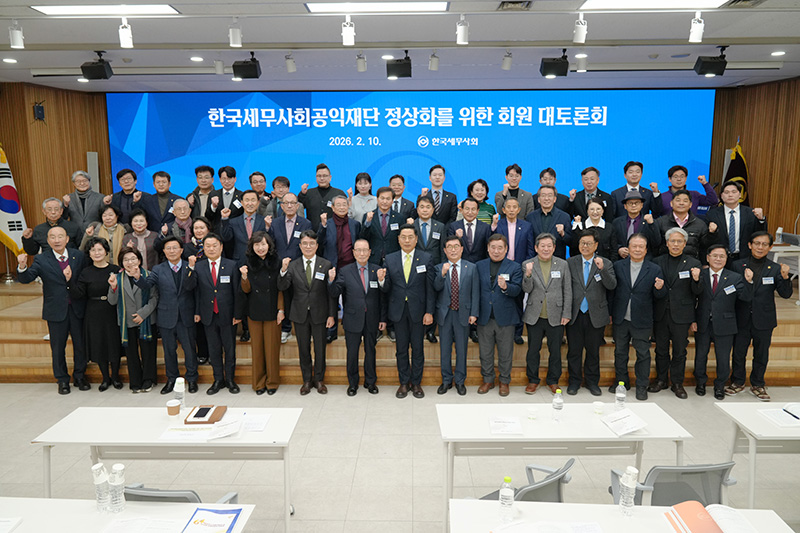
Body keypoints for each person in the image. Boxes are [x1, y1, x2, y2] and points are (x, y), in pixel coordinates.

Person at [17, 226, 89, 394]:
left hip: (78, 308)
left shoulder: (78, 256)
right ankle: (62, 380)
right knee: (57, 348)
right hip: (56, 310)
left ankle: (80, 376)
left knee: (80, 345)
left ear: (67, 239)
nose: (57, 240)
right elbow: (27, 278)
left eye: (60, 236)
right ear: (48, 241)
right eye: (53, 237)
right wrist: (22, 266)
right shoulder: (41, 259)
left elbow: (85, 278)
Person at [729, 232, 793, 401]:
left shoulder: (776, 268)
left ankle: (758, 384)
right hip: (741, 317)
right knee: (738, 353)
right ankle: (737, 382)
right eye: (757, 243)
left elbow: (786, 294)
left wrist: (785, 277)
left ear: (770, 247)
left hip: (764, 318)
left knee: (761, 354)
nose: (760, 247)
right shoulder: (737, 265)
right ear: (750, 245)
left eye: (764, 244)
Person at [134, 236, 199, 395]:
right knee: (169, 351)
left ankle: (192, 379)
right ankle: (172, 379)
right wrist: (137, 278)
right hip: (166, 315)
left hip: (186, 314)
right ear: (163, 251)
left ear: (181, 250)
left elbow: (193, 288)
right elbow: (147, 285)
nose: (172, 251)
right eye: (168, 248)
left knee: (190, 350)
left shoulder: (190, 265)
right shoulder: (158, 269)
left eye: (175, 248)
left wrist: (191, 269)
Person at [380, 224, 435, 399]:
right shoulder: (390, 259)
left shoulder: (426, 258)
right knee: (401, 349)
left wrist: (429, 312)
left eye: (410, 237)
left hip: (419, 311)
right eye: (403, 237)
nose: (407, 240)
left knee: (418, 349)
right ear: (398, 239)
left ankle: (416, 383)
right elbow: (386, 289)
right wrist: (381, 281)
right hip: (398, 311)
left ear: (416, 239)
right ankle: (404, 382)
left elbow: (430, 289)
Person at [278, 231, 336, 395]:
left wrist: (332, 314)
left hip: (320, 312)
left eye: (312, 243)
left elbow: (331, 293)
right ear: (300, 245)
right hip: (300, 313)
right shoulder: (293, 265)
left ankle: (319, 380)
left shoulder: (326, 264)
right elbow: (282, 286)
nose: (308, 246)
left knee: (320, 349)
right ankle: (306, 380)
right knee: (303, 349)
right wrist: (283, 271)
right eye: (305, 243)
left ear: (317, 246)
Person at [611, 233, 667, 401]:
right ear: (628, 248)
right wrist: (610, 313)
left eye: (640, 246)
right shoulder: (618, 266)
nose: (637, 249)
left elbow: (659, 297)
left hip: (642, 319)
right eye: (634, 246)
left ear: (646, 249)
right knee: (620, 352)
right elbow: (612, 292)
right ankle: (622, 382)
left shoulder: (654, 268)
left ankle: (642, 386)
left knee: (643, 354)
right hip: (621, 317)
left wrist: (660, 288)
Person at [694, 243, 753, 400]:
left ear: (726, 259)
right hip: (703, 323)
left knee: (723, 358)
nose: (718, 259)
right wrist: (693, 320)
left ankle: (720, 386)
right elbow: (692, 298)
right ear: (708, 257)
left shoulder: (735, 277)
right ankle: (700, 383)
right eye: (715, 256)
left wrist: (749, 282)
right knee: (700, 356)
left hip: (725, 324)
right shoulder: (700, 274)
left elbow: (745, 298)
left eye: (722, 256)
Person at [650, 228, 703, 399]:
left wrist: (697, 279)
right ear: (667, 243)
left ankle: (677, 383)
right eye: (672, 241)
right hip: (661, 313)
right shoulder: (657, 262)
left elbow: (698, 291)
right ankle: (661, 380)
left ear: (685, 244)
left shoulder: (694, 263)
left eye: (679, 241)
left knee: (680, 351)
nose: (675, 244)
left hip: (682, 314)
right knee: (661, 350)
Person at [331, 239, 386, 396]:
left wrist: (382, 318)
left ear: (370, 252)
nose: (362, 253)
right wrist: (331, 280)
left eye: (365, 250)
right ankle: (353, 383)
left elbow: (383, 297)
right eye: (358, 250)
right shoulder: (345, 271)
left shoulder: (377, 270)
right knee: (352, 353)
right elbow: (335, 293)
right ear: (353, 253)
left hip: (372, 319)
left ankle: (370, 382)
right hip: (352, 319)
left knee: (371, 351)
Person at [566, 229, 616, 396]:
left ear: (596, 245)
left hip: (596, 314)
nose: (585, 246)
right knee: (574, 351)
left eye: (588, 243)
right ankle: (574, 382)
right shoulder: (570, 262)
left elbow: (612, 285)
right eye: (582, 243)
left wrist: (602, 270)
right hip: (575, 314)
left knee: (593, 352)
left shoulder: (605, 263)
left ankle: (592, 382)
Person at [69, 237, 122, 391]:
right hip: (93, 312)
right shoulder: (86, 272)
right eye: (93, 250)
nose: (97, 253)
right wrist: (69, 280)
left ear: (106, 251)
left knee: (114, 344)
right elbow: (78, 294)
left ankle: (115, 377)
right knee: (99, 345)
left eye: (100, 249)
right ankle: (105, 378)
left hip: (113, 310)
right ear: (89, 253)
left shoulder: (116, 269)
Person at [521, 233, 572, 394]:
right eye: (542, 246)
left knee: (555, 351)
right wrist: (528, 275)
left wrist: (566, 313)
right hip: (534, 315)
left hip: (556, 314)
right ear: (536, 248)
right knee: (533, 351)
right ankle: (533, 380)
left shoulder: (562, 264)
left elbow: (567, 290)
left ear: (554, 248)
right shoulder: (528, 264)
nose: (546, 249)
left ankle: (553, 380)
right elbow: (526, 289)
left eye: (549, 246)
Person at [193, 234, 242, 395]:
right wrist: (197, 312)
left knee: (229, 349)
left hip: (227, 314)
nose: (211, 249)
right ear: (204, 248)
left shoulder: (231, 265)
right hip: (208, 314)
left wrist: (237, 313)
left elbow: (236, 291)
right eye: (208, 246)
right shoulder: (199, 266)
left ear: (221, 247)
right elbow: (197, 292)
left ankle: (230, 380)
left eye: (215, 245)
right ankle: (218, 380)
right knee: (213, 349)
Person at [475, 235, 522, 396]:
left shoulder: (515, 267)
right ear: (488, 248)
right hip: (484, 316)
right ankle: (488, 380)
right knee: (485, 352)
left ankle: (504, 381)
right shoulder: (479, 266)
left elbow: (518, 290)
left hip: (506, 317)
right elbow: (475, 291)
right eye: (493, 247)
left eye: (500, 248)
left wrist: (506, 287)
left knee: (505, 353)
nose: (496, 251)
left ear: (506, 249)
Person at [239, 232, 285, 395]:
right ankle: (258, 384)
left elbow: (281, 288)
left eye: (263, 244)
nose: (260, 248)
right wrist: (244, 277)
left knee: (272, 350)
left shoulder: (277, 262)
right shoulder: (247, 263)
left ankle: (272, 383)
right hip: (254, 310)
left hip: (273, 310)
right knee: (257, 350)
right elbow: (246, 290)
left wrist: (281, 309)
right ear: (252, 247)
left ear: (269, 245)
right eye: (257, 245)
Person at [108, 247, 159, 393]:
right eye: (126, 260)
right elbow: (112, 301)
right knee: (131, 353)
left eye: (133, 259)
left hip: (146, 319)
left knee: (148, 352)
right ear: (121, 262)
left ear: (139, 260)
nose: (130, 262)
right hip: (127, 321)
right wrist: (113, 287)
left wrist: (143, 314)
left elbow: (154, 298)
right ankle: (135, 381)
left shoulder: (149, 275)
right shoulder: (117, 278)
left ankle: (148, 379)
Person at [433, 235, 479, 396]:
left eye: (456, 246)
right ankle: (446, 380)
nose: (453, 250)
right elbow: (436, 288)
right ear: (445, 251)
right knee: (445, 350)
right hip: (445, 314)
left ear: (461, 249)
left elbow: (475, 292)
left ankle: (460, 380)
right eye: (449, 247)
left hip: (463, 313)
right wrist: (442, 274)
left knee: (461, 349)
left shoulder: (471, 267)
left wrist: (474, 313)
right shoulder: (439, 268)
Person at [267, 192, 312, 344]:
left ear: (298, 205)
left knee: (300, 297)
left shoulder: (306, 223)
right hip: (280, 267)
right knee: (284, 297)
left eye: (293, 203)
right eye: (286, 203)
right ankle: (286, 329)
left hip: (299, 267)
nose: (290, 206)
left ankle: (304, 328)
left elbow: (308, 245)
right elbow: (271, 245)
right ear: (282, 206)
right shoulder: (275, 223)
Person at [490, 196, 534, 344]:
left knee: (518, 301)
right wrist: (493, 226)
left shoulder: (527, 226)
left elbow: (530, 249)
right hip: (501, 267)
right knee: (501, 299)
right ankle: (499, 332)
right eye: (508, 207)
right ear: (503, 210)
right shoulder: (498, 225)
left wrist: (525, 267)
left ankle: (517, 333)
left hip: (519, 268)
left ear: (519, 209)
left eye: (514, 207)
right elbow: (491, 244)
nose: (511, 210)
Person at [318, 195, 360, 342]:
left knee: (351, 300)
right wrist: (322, 226)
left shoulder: (355, 224)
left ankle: (351, 330)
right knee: (331, 299)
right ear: (333, 207)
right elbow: (319, 243)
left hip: (350, 267)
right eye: (338, 205)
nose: (342, 207)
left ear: (348, 206)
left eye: (344, 204)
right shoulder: (327, 224)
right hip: (332, 267)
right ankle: (332, 331)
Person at [706, 181, 767, 264]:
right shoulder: (712, 214)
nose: (730, 195)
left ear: (740, 195)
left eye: (734, 192)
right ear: (721, 196)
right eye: (726, 192)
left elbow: (761, 235)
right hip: (720, 259)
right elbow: (706, 241)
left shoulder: (751, 213)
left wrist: (761, 220)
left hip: (744, 258)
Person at [652, 190, 709, 260]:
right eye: (678, 200)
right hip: (665, 263)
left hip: (691, 263)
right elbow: (655, 245)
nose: (681, 203)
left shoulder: (700, 224)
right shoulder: (660, 222)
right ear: (671, 203)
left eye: (685, 201)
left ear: (690, 204)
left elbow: (704, 248)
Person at [220, 190, 267, 264]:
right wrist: (225, 219)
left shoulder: (264, 221)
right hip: (239, 262)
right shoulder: (234, 222)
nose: (250, 203)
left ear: (258, 203)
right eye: (247, 200)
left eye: (253, 200)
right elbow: (226, 238)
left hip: (260, 262)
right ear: (242, 203)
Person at [526, 185, 572, 259]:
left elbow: (571, 242)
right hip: (536, 260)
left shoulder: (564, 217)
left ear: (554, 199)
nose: (546, 198)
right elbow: (528, 242)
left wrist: (563, 234)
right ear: (538, 199)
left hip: (557, 260)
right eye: (543, 195)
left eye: (550, 196)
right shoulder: (530, 217)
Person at [611, 190, 659, 260]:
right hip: (622, 260)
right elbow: (613, 242)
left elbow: (656, 242)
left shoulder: (649, 222)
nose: (633, 205)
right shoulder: (617, 222)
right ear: (625, 206)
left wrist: (651, 224)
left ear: (642, 205)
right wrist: (619, 249)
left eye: (637, 203)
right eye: (630, 203)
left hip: (645, 260)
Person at [360, 186, 402, 265]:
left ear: (392, 201)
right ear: (377, 199)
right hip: (373, 259)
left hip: (393, 258)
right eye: (382, 198)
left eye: (388, 199)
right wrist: (367, 222)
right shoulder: (368, 216)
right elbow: (363, 238)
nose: (385, 202)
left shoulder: (399, 218)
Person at [297, 163, 345, 231]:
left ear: (330, 177)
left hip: (334, 232)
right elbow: (297, 206)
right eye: (319, 176)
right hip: (312, 233)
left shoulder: (339, 193)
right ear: (316, 177)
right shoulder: (309, 193)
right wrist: (302, 194)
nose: (322, 178)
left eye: (325, 176)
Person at [448, 197, 491, 264]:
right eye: (467, 209)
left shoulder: (486, 227)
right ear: (462, 210)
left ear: (477, 211)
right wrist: (457, 238)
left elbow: (488, 249)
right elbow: (449, 248)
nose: (470, 212)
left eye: (473, 209)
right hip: (460, 265)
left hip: (480, 265)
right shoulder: (454, 226)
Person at [206, 165, 244, 232]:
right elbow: (208, 216)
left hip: (236, 232)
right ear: (220, 179)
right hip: (217, 232)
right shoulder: (213, 194)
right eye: (224, 179)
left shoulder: (241, 195)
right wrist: (213, 207)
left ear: (235, 179)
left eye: (229, 178)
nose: (226, 181)